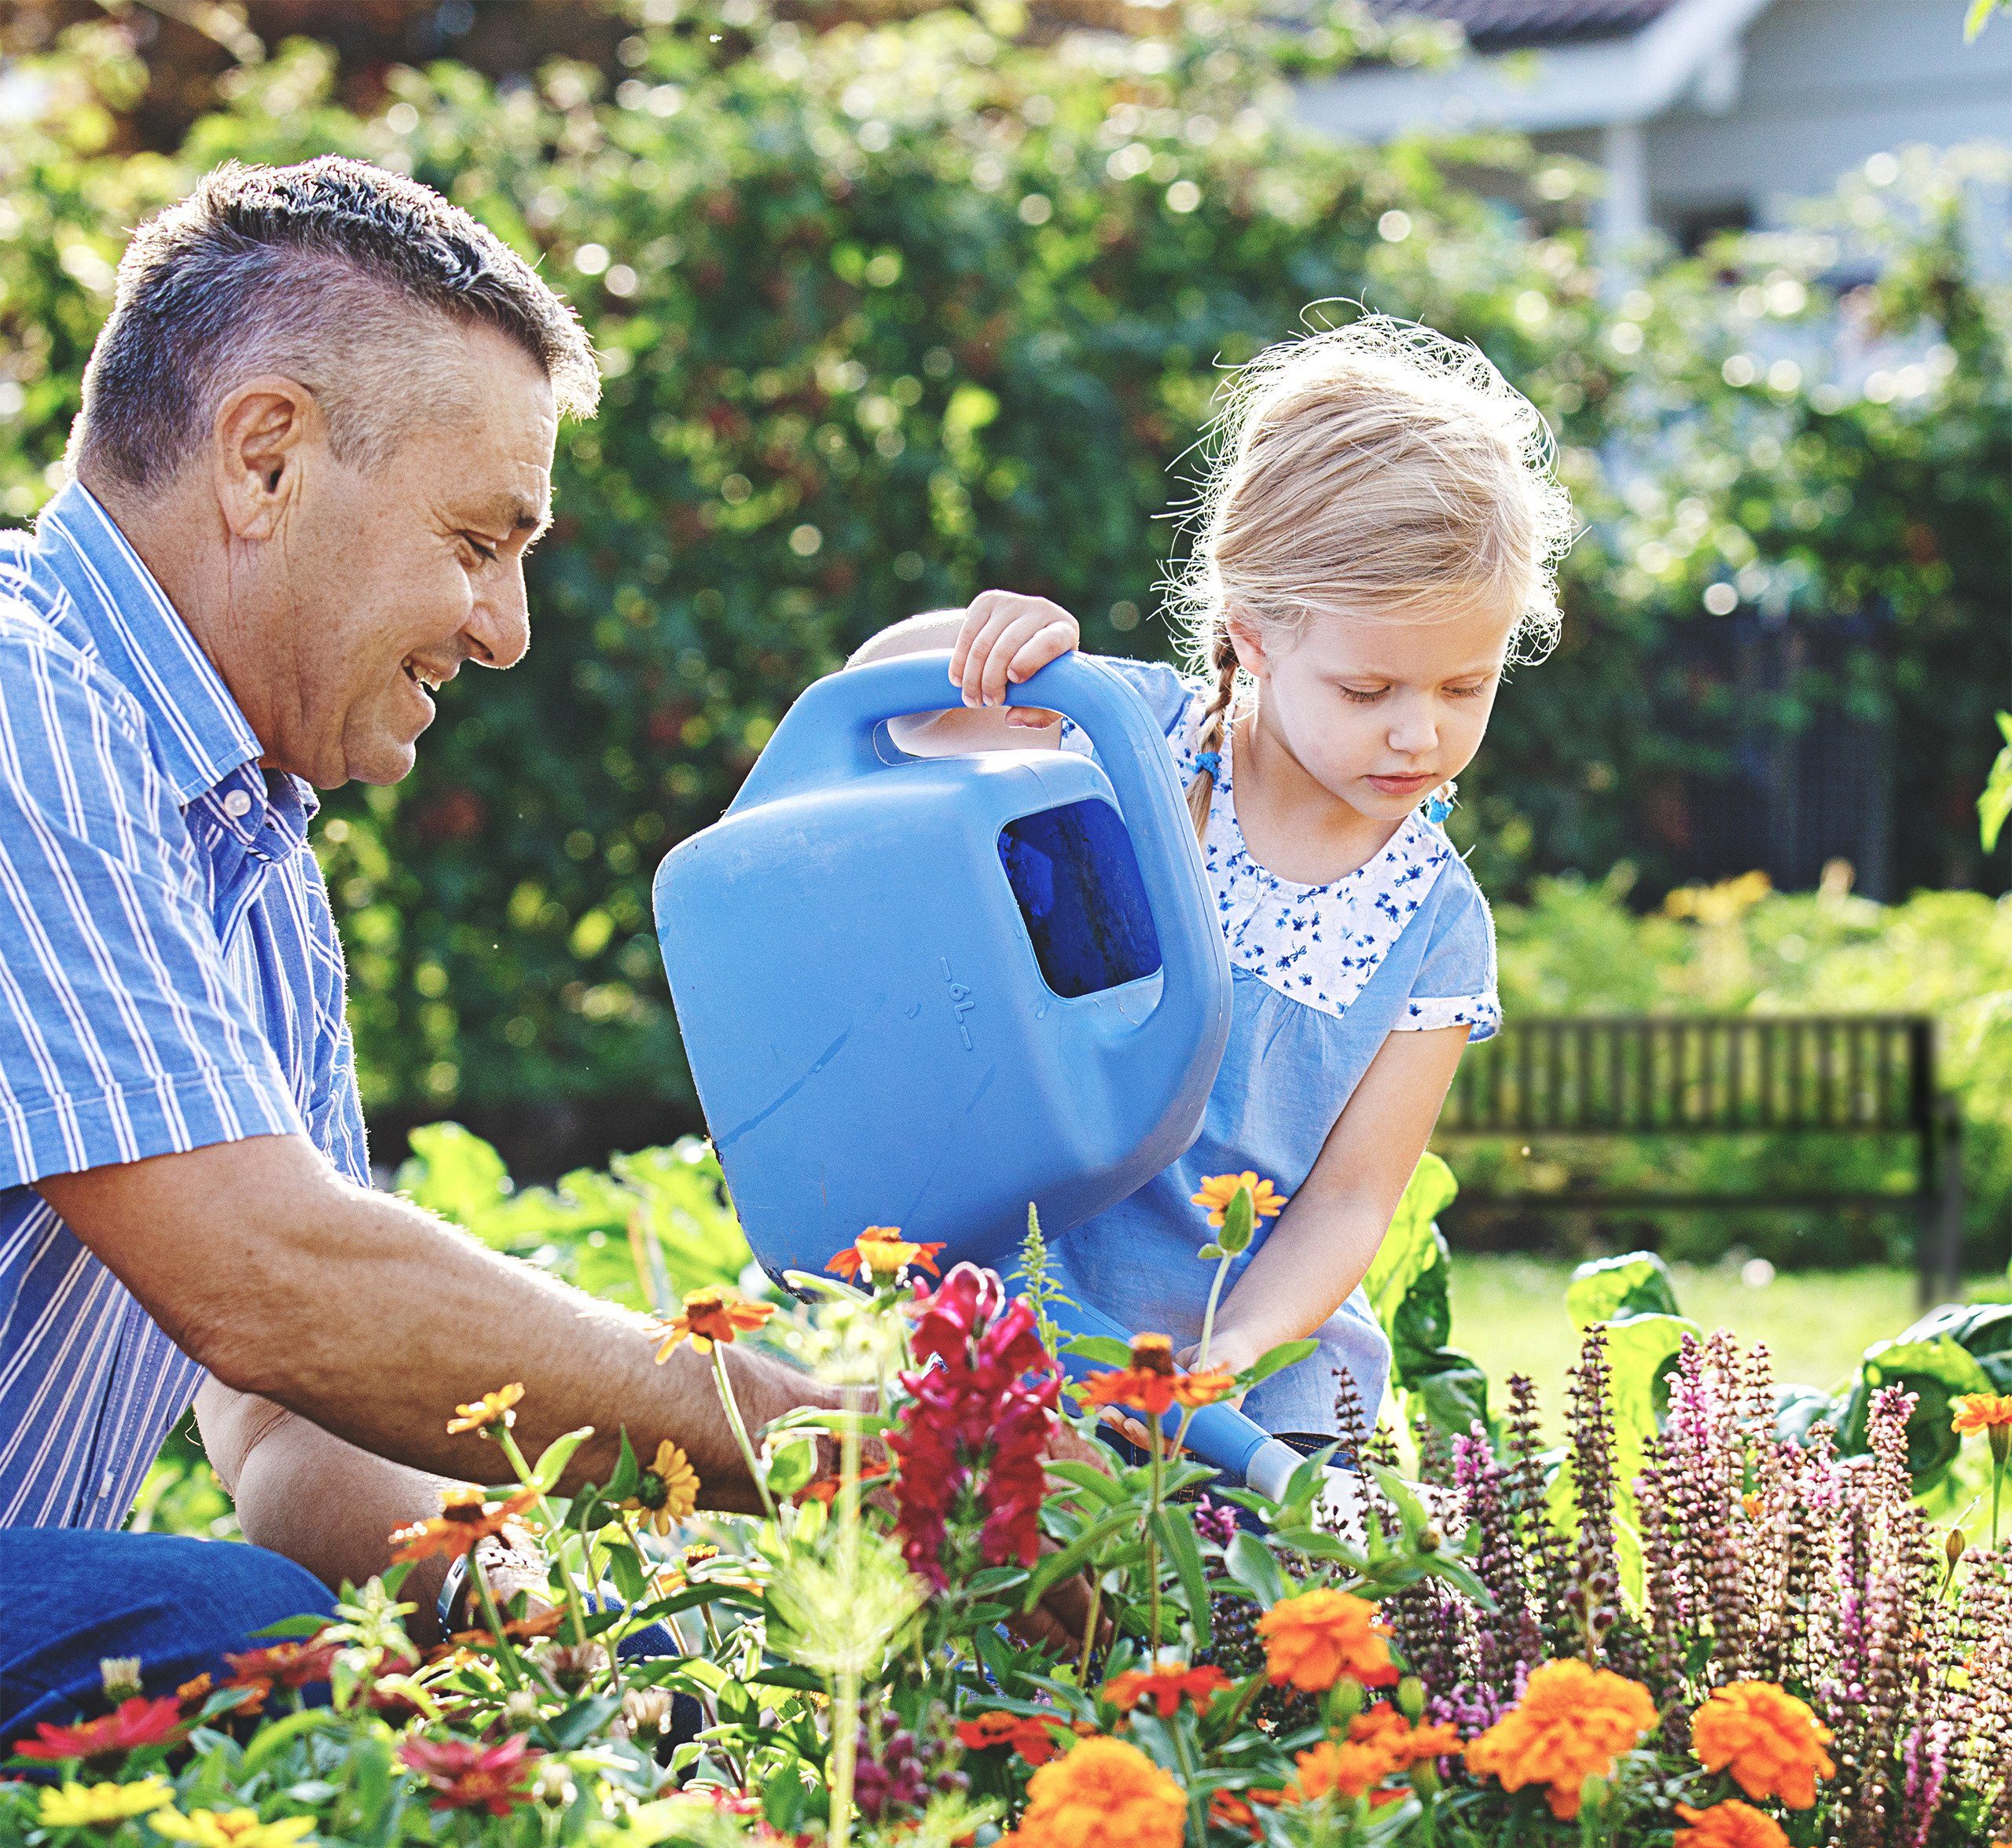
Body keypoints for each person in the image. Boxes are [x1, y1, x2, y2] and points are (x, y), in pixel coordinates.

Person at [0, 156, 868, 1740]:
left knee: (294, 1639)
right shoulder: (20, 707)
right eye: (479, 538)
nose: (505, 626)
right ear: (266, 458)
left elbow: (284, 1422)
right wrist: (807, 1437)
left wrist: (537, 1635)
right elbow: (272, 1287)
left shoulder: (242, 846)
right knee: (230, 1626)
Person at [846, 316, 1572, 1439]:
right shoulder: (1120, 739)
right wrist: (984, 642)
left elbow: (1349, 1200)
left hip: (1268, 1401)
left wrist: (1235, 1354)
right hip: (1029, 1352)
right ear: (1257, 633)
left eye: (1465, 687)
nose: (1418, 736)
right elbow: (881, 723)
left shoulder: (1435, 926)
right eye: (1370, 690)